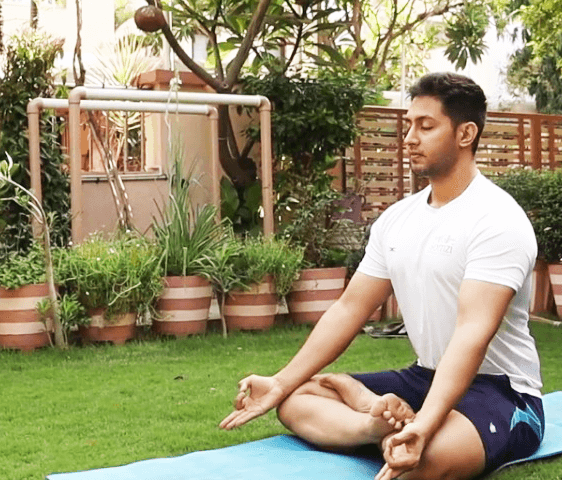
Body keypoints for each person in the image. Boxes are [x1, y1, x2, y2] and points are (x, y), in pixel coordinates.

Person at [220, 72, 544, 480]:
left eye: (426, 126)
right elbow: (349, 309)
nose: (410, 138)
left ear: (466, 134)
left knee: (421, 463)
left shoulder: (497, 220)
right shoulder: (398, 220)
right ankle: (373, 426)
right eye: (409, 125)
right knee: (296, 397)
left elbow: (472, 332)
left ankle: (397, 426)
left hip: (502, 390)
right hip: (426, 376)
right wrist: (281, 381)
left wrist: (426, 424)